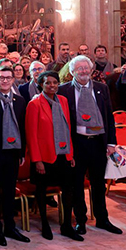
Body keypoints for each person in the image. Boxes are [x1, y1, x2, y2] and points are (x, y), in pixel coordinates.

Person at [58, 56, 122, 235]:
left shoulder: (101, 88)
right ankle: (81, 220)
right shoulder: (64, 91)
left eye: (86, 68)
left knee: (99, 184)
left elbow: (109, 116)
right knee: (77, 185)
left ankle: (103, 219)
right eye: (80, 69)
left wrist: (111, 142)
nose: (84, 71)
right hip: (77, 144)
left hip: (98, 143)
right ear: (72, 72)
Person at [26, 71, 80, 241]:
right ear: (41, 84)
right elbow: (31, 135)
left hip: (63, 154)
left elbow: (68, 128)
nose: (52, 86)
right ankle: (45, 224)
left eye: (55, 82)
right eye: (48, 82)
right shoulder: (34, 104)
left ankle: (66, 226)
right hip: (44, 157)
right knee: (42, 191)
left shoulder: (63, 100)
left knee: (68, 190)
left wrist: (70, 154)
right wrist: (37, 160)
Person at [0, 65, 30, 245]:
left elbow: (22, 128)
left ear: (13, 80)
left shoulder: (19, 101)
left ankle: (10, 227)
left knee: (10, 191)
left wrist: (21, 151)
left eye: (8, 78)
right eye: (1, 77)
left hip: (13, 152)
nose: (5, 81)